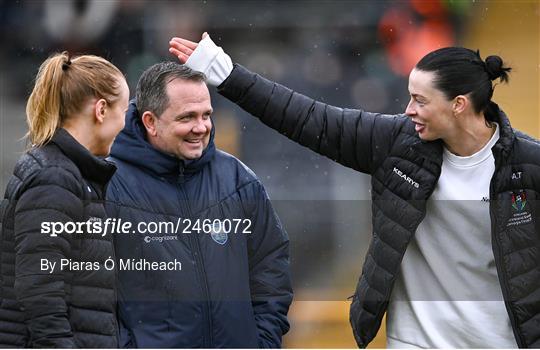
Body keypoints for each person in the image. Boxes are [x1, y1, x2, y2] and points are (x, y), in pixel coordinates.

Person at [169, 35, 540, 348]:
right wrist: (226, 74)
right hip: (415, 341)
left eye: (421, 101)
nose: (409, 109)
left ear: (459, 105)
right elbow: (307, 118)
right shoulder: (396, 142)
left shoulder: (530, 165)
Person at [105, 62, 292, 348]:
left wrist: (262, 341)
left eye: (206, 115)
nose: (201, 127)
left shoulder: (239, 180)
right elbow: (91, 293)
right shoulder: (108, 187)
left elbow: (271, 267)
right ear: (150, 122)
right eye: (187, 117)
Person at [0, 51, 129, 347]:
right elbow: (40, 292)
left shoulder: (72, 174)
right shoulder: (56, 179)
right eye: (123, 111)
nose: (124, 124)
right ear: (100, 110)